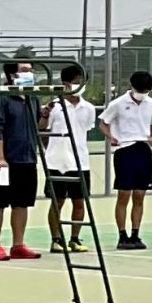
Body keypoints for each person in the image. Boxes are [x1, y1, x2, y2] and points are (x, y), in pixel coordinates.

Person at [0, 58, 42, 262]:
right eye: (25, 70)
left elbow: (37, 125)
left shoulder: (33, 98)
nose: (30, 73)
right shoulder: (2, 99)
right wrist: (0, 158)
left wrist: (46, 114)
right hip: (6, 161)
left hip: (27, 159)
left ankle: (18, 245)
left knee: (22, 203)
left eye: (31, 70)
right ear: (12, 75)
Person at [99, 69, 152, 250]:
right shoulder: (118, 103)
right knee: (124, 195)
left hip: (144, 150)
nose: (142, 94)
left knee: (139, 195)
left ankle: (135, 234)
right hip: (125, 150)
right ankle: (122, 235)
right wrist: (110, 137)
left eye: (146, 91)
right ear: (131, 86)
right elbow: (103, 123)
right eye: (140, 90)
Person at [40, 63, 98, 254]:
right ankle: (56, 239)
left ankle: (74, 238)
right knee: (57, 201)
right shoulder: (54, 106)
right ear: (65, 84)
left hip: (80, 160)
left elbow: (86, 130)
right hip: (56, 161)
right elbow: (42, 130)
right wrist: (45, 116)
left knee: (79, 201)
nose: (79, 86)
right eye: (76, 82)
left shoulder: (88, 108)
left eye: (82, 82)